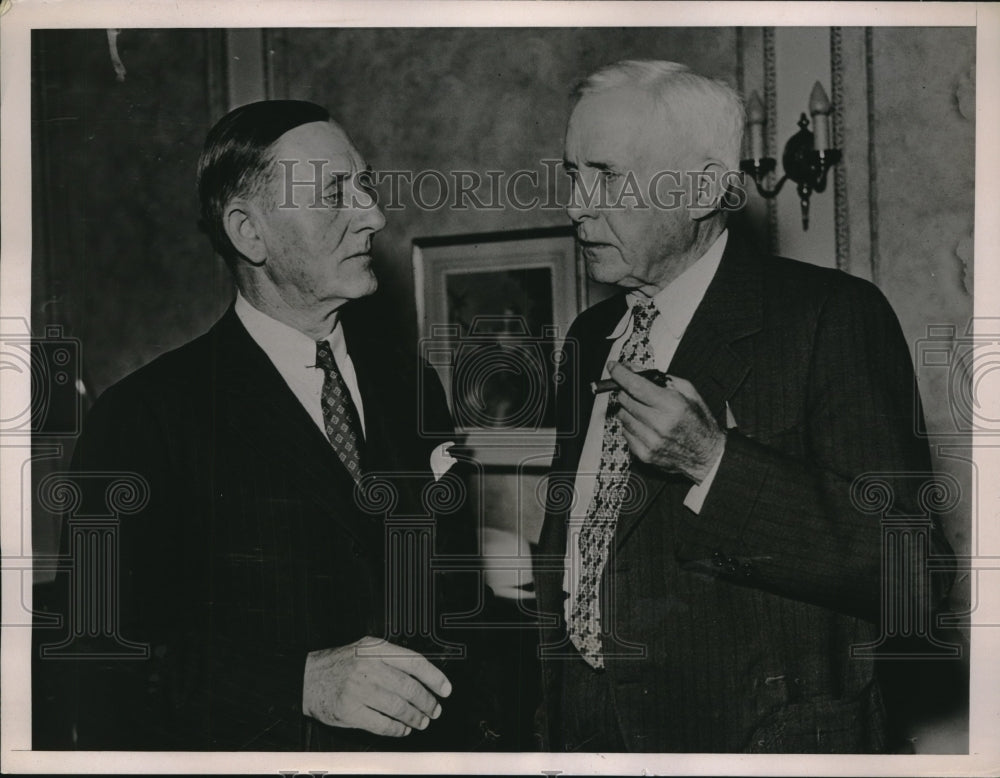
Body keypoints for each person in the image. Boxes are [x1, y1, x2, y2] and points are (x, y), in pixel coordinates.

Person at [36, 100, 493, 751]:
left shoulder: (410, 385)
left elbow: (458, 600)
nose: (373, 214)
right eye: (334, 193)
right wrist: (294, 683)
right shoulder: (144, 416)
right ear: (250, 234)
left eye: (363, 184)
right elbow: (96, 659)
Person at [534, 60, 955, 753]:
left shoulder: (829, 318)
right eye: (572, 173)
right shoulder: (588, 339)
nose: (577, 204)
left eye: (605, 175)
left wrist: (715, 464)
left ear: (702, 189)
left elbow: (916, 575)